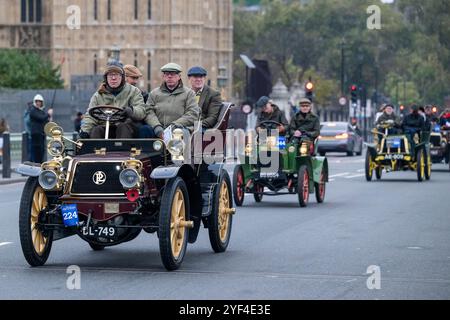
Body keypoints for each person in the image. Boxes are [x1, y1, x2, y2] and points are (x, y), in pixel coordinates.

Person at [80, 61, 146, 139]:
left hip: (127, 128)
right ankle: (97, 151)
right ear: (106, 78)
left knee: (123, 127)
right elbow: (90, 116)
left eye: (117, 75)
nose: (113, 78)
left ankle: (122, 150)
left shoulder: (133, 91)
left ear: (122, 77)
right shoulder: (98, 95)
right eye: (110, 75)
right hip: (104, 126)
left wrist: (131, 111)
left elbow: (141, 111)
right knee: (96, 130)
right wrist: (85, 131)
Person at [144, 63, 200, 139]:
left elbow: (193, 114)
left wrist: (174, 125)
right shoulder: (154, 93)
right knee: (144, 130)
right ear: (163, 77)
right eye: (167, 74)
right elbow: (148, 111)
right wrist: (157, 126)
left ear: (179, 77)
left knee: (179, 134)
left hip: (180, 128)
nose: (169, 77)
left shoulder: (189, 93)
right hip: (158, 129)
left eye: (173, 74)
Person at [29, 94, 50, 163]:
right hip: (36, 134)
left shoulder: (41, 111)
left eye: (40, 101)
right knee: (37, 151)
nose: (38, 103)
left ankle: (40, 164)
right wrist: (48, 114)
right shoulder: (33, 110)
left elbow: (45, 121)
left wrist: (49, 117)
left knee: (42, 151)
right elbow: (41, 118)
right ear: (34, 102)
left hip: (42, 134)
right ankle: (37, 165)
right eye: (37, 101)